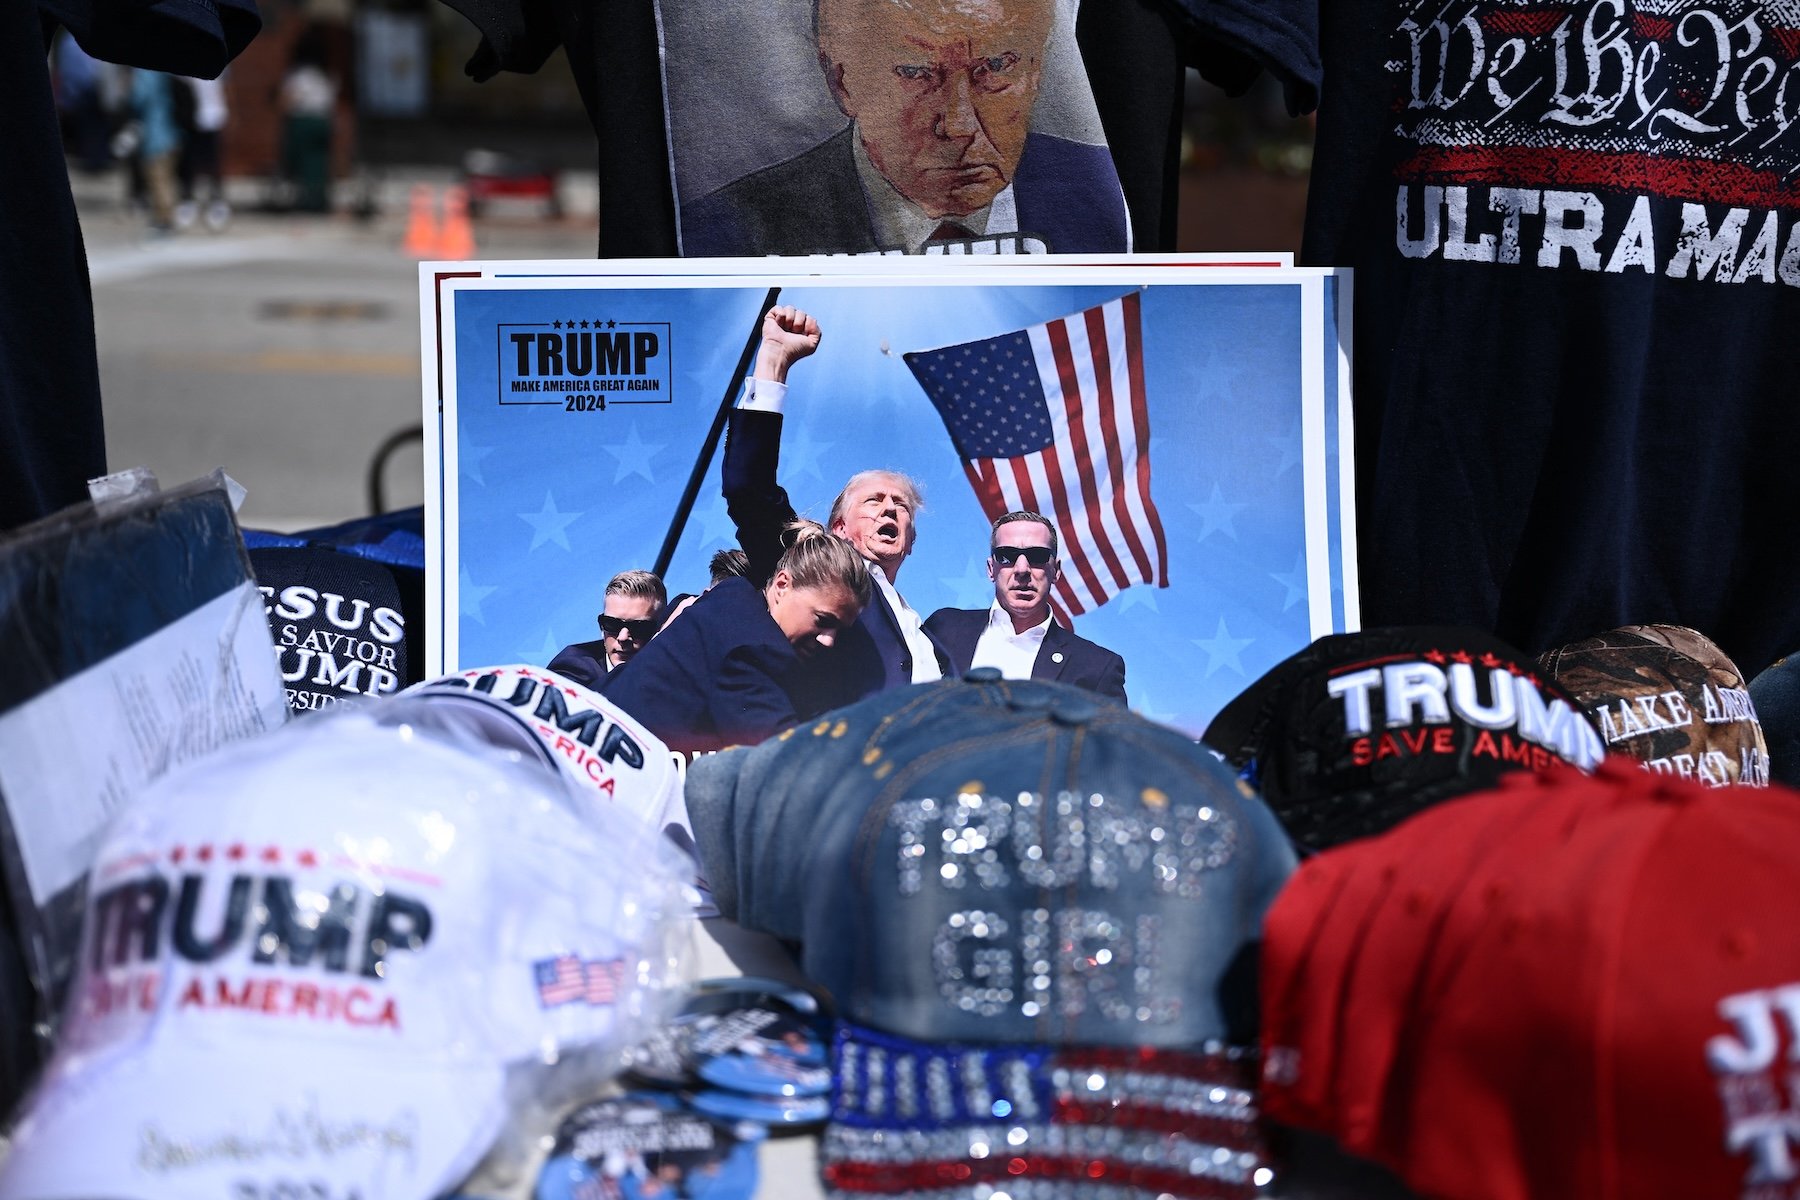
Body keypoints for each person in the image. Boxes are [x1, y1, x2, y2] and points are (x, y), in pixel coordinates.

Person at [678, 0, 1128, 256]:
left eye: (994, 67)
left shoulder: (1098, 194)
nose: (958, 126)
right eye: (916, 72)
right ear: (841, 82)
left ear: (1038, 70)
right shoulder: (733, 226)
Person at [723, 304, 949, 715]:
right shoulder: (817, 569)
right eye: (874, 501)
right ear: (839, 528)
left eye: (900, 506)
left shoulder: (924, 632)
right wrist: (773, 362)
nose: (889, 510)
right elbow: (748, 490)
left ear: (911, 541)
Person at [601, 523, 871, 755]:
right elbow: (786, 763)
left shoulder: (731, 594)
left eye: (840, 631)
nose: (829, 641)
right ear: (781, 585)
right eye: (823, 621)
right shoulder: (757, 650)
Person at [924, 511, 1127, 701]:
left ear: (1056, 570)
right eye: (1006, 556)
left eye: (1037, 556)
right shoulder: (945, 629)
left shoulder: (1097, 667)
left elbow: (1112, 738)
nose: (1022, 569)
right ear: (990, 569)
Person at [549, 569, 667, 687]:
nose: (623, 637)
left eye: (638, 627)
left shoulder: (674, 673)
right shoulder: (573, 668)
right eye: (612, 624)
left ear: (660, 630)